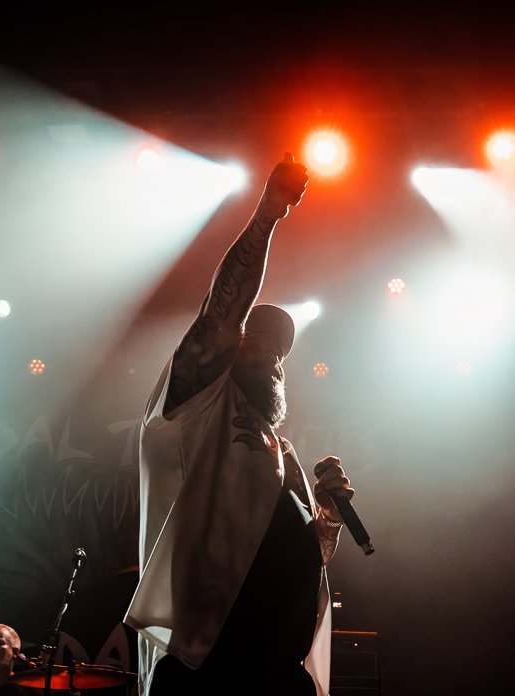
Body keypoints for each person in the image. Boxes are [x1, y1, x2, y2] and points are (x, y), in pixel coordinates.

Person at [123, 153, 355, 696]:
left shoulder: (282, 452)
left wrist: (327, 516)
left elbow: (309, 554)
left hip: (281, 673)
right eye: (257, 340)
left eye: (281, 352)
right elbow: (220, 311)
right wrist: (267, 215)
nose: (272, 354)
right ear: (228, 348)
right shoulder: (198, 405)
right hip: (209, 667)